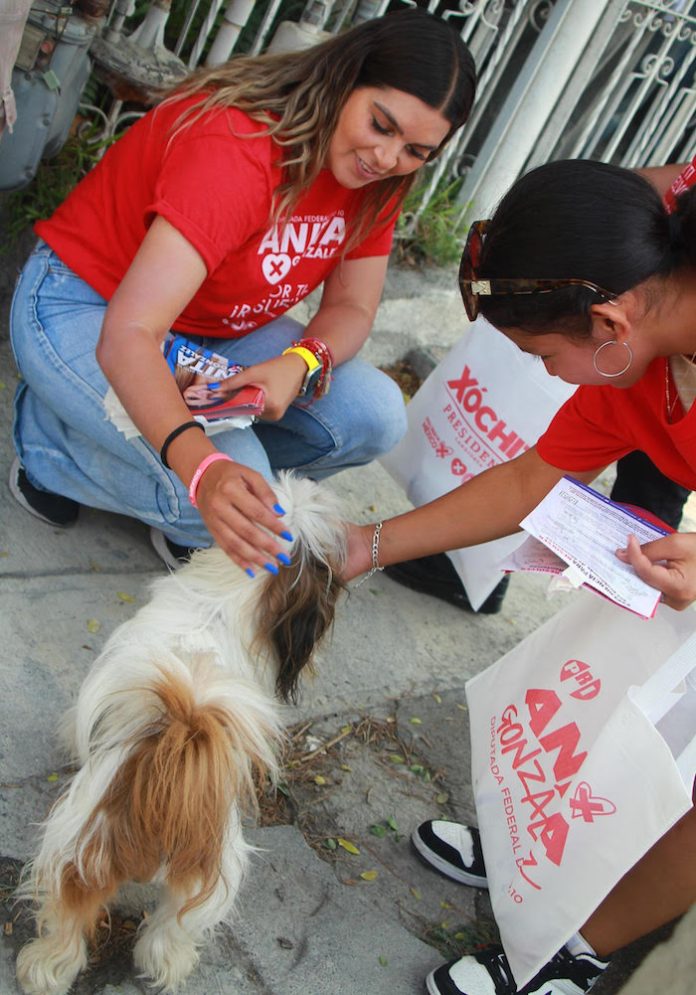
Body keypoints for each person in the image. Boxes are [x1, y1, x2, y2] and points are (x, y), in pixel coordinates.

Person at [344, 158, 696, 995]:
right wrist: (366, 544)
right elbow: (525, 482)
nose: (540, 375)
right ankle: (531, 857)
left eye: (541, 354)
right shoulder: (641, 353)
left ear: (607, 320)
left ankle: (568, 950)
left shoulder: (631, 337)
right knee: (619, 656)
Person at [8, 7, 476, 572]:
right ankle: (51, 443)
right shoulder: (237, 145)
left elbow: (353, 306)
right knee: (247, 502)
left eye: (416, 152)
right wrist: (205, 471)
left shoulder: (381, 178)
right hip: (87, 305)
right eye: (381, 125)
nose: (387, 159)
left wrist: (303, 360)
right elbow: (130, 332)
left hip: (211, 331)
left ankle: (167, 476)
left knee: (374, 414)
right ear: (343, 79)